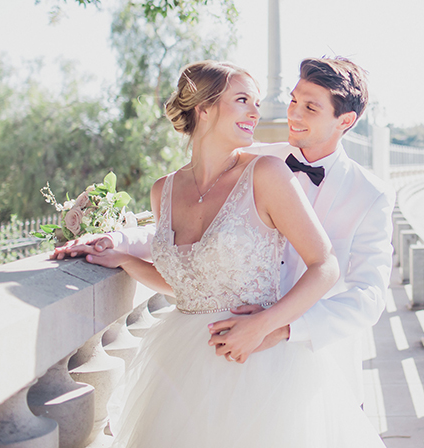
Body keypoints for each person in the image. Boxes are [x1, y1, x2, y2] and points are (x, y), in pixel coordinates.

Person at [70, 60, 384, 447]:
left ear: (345, 120)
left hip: (293, 363)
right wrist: (118, 245)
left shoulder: (367, 194)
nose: (291, 113)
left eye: (310, 107)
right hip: (190, 354)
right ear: (203, 109)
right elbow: (192, 241)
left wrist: (277, 327)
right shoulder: (250, 157)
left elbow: (366, 296)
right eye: (293, 100)